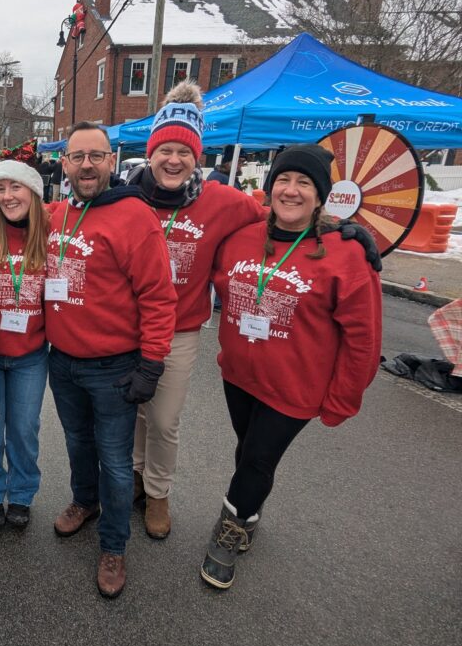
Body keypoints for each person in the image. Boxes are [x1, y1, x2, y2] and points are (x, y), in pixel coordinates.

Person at [202, 144, 382, 589]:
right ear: (270, 187)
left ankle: (231, 527)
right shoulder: (241, 237)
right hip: (239, 375)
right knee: (249, 451)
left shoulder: (346, 252)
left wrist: (343, 398)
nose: (291, 190)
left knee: (257, 458)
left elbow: (363, 339)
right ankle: (250, 508)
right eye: (283, 179)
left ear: (321, 196)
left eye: (304, 183)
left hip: (295, 388)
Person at [124, 82, 267, 539]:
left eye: (184, 152)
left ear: (197, 157)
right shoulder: (125, 196)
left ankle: (158, 492)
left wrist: (334, 228)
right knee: (133, 411)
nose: (173, 160)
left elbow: (282, 217)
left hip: (179, 331)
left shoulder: (222, 201)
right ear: (151, 153)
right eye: (165, 150)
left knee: (163, 419)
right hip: (126, 328)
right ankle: (135, 476)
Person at [45, 121, 176, 598]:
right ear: (64, 163)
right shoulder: (58, 213)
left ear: (111, 161)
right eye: (77, 156)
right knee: (77, 443)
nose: (86, 165)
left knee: (117, 463)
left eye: (96, 156)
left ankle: (114, 545)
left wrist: (151, 363)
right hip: (63, 362)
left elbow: (158, 297)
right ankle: (85, 501)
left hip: (114, 368)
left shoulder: (135, 216)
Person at [0, 160, 50, 530]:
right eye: (0, 189)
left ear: (33, 193)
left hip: (30, 356)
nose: (7, 196)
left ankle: (21, 493)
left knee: (24, 430)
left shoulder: (50, 234)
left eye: (15, 187)